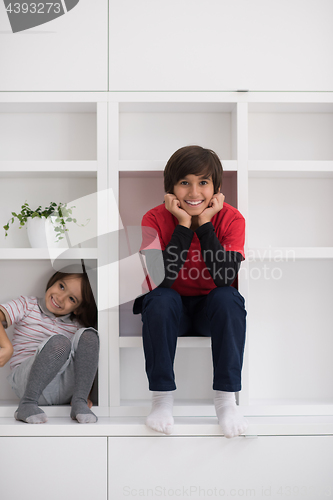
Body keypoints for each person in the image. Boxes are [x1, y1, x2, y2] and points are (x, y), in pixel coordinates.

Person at [133, 145, 248, 438]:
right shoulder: (154, 218)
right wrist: (184, 225)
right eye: (184, 182)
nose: (194, 192)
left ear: (217, 189)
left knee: (228, 297)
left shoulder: (232, 219)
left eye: (203, 183)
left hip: (212, 311)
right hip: (173, 311)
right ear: (171, 188)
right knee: (159, 298)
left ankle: (226, 400)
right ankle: (161, 400)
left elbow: (224, 277)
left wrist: (205, 224)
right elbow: (161, 279)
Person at [0, 268, 99, 424]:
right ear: (54, 280)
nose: (60, 298)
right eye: (61, 286)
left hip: (62, 389)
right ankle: (27, 404)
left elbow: (87, 361)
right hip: (27, 383)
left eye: (72, 299)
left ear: (78, 309)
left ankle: (79, 401)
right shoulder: (27, 305)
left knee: (89, 336)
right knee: (60, 342)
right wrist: (7, 347)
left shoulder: (76, 326)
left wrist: (86, 394)